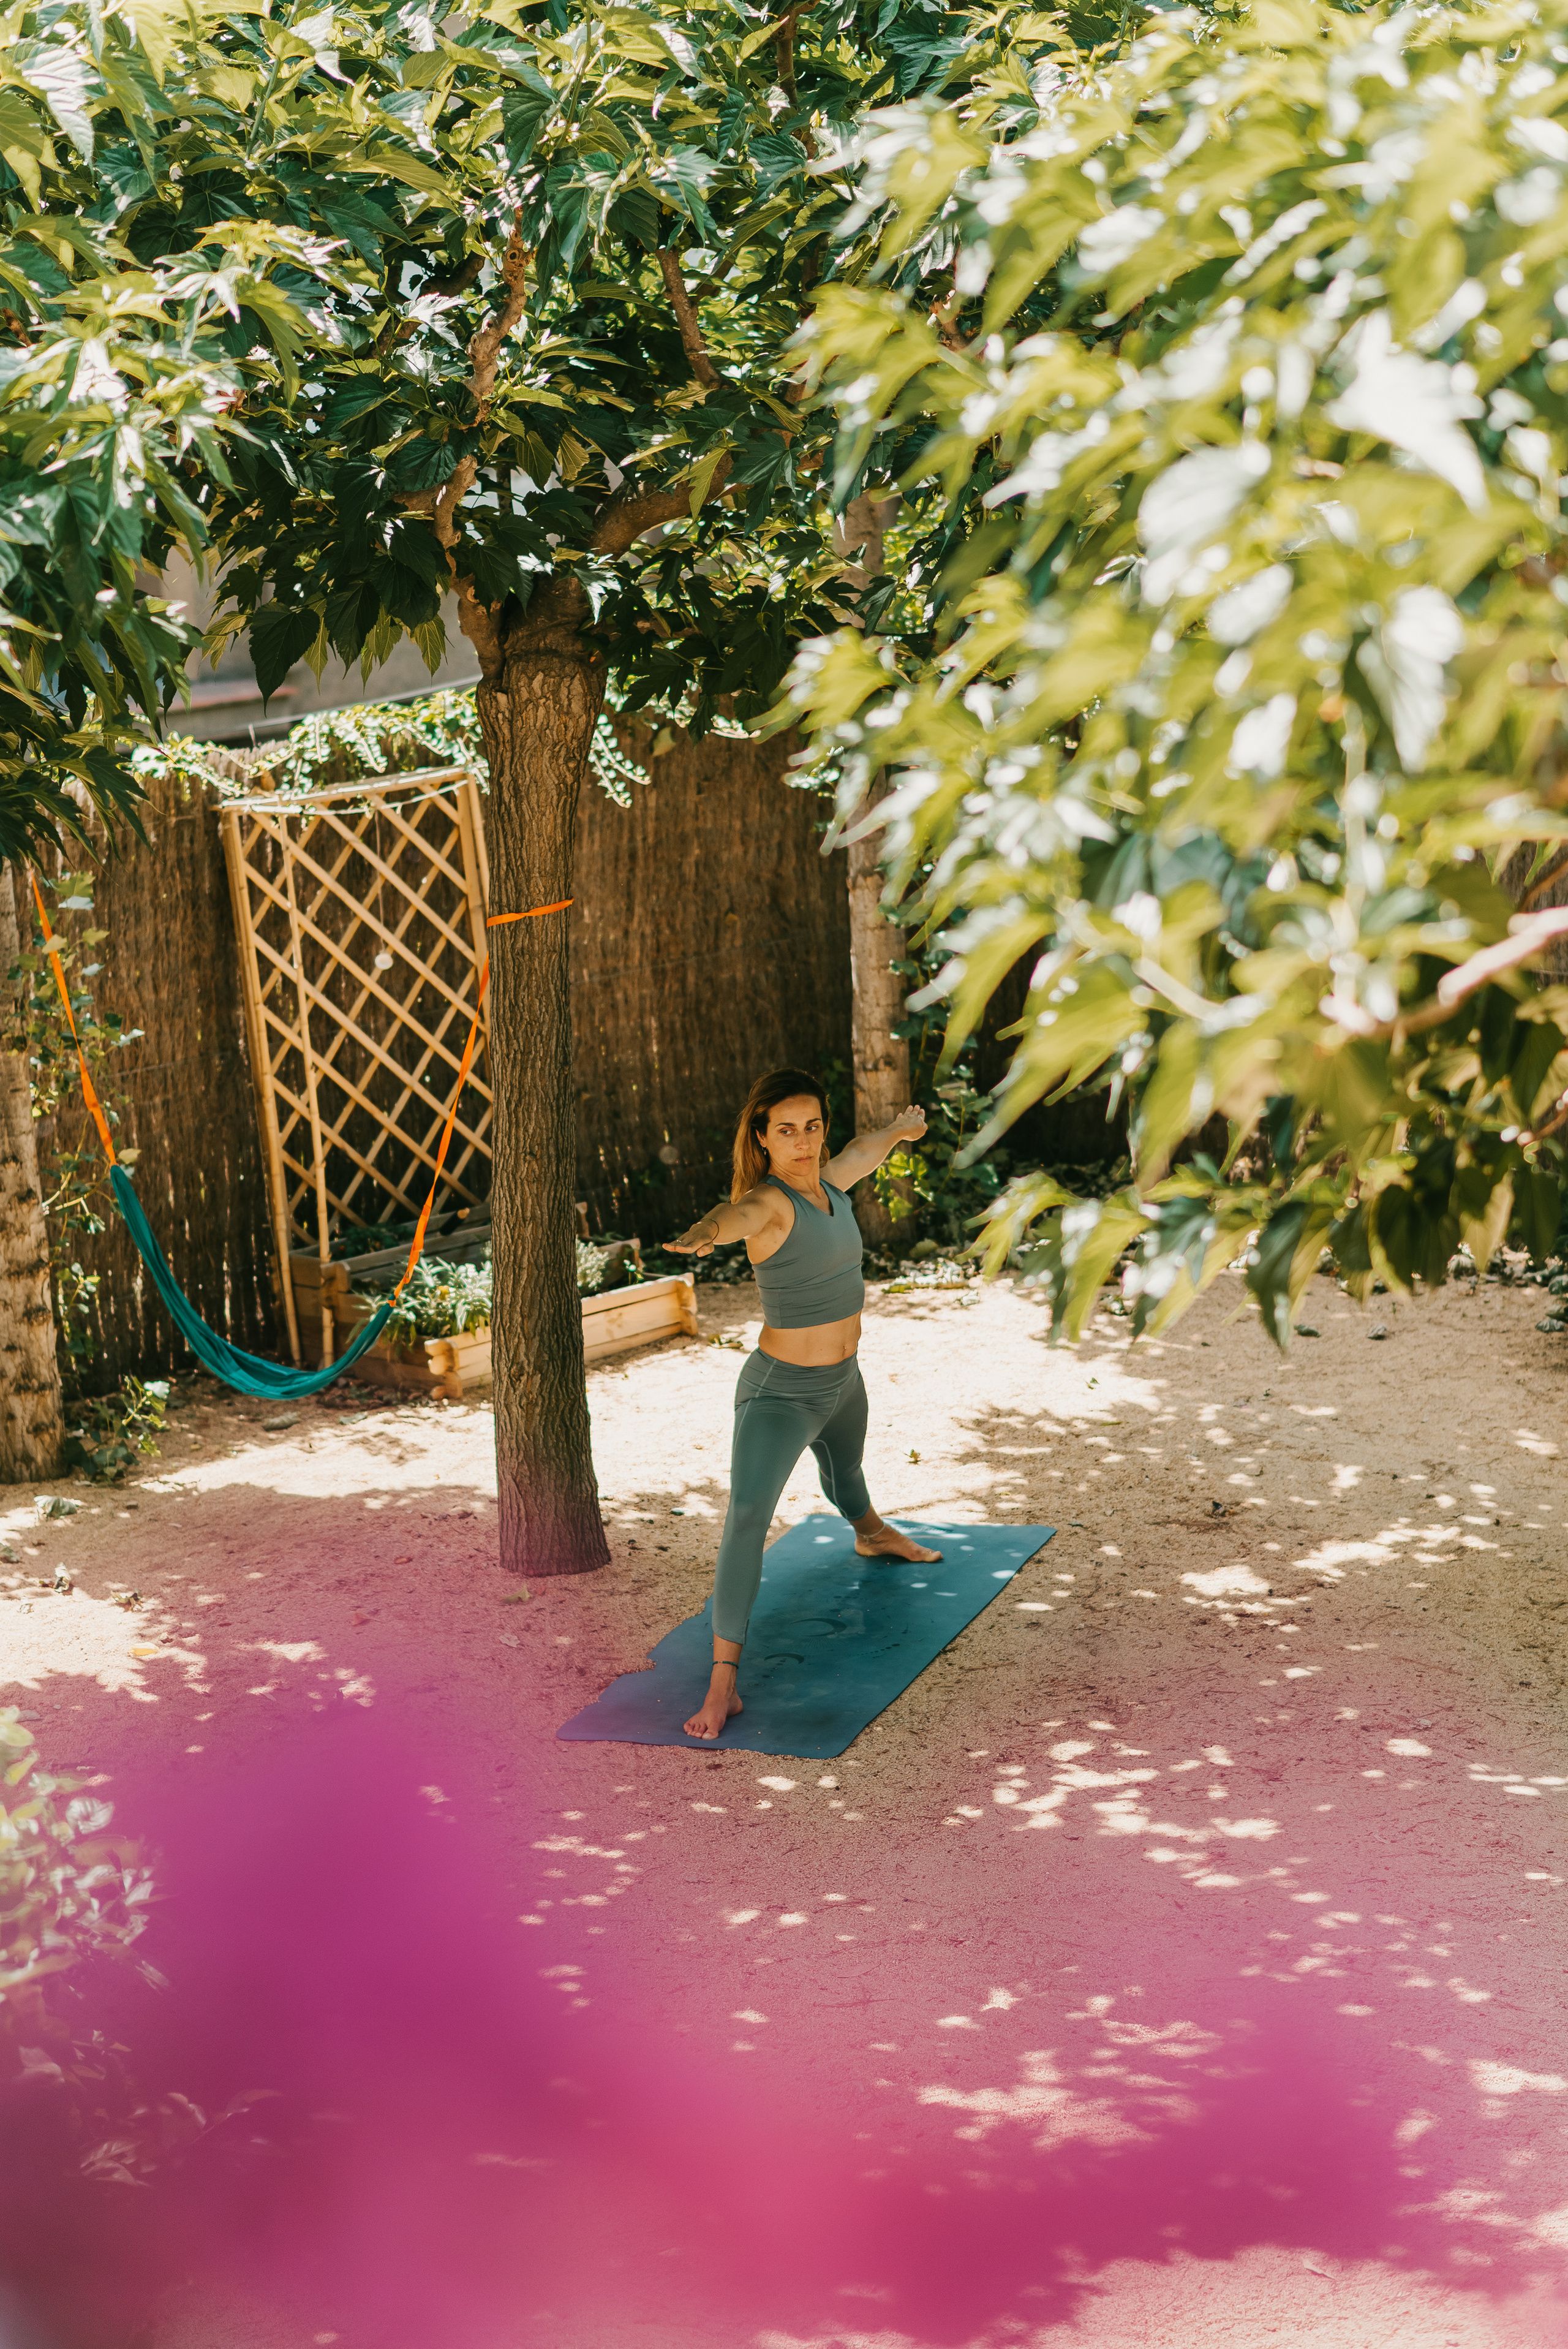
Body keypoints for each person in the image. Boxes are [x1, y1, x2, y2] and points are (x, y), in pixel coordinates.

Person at [667, 1067, 942, 1742]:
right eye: (785, 1131)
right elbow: (736, 1218)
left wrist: (901, 1130)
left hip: (843, 1379)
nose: (803, 1142)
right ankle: (722, 1684)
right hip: (780, 1394)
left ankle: (872, 1532)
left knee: (845, 1478)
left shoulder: (830, 1187)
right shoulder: (769, 1202)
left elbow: (862, 1151)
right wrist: (707, 1228)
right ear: (762, 1141)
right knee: (746, 1518)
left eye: (811, 1127)